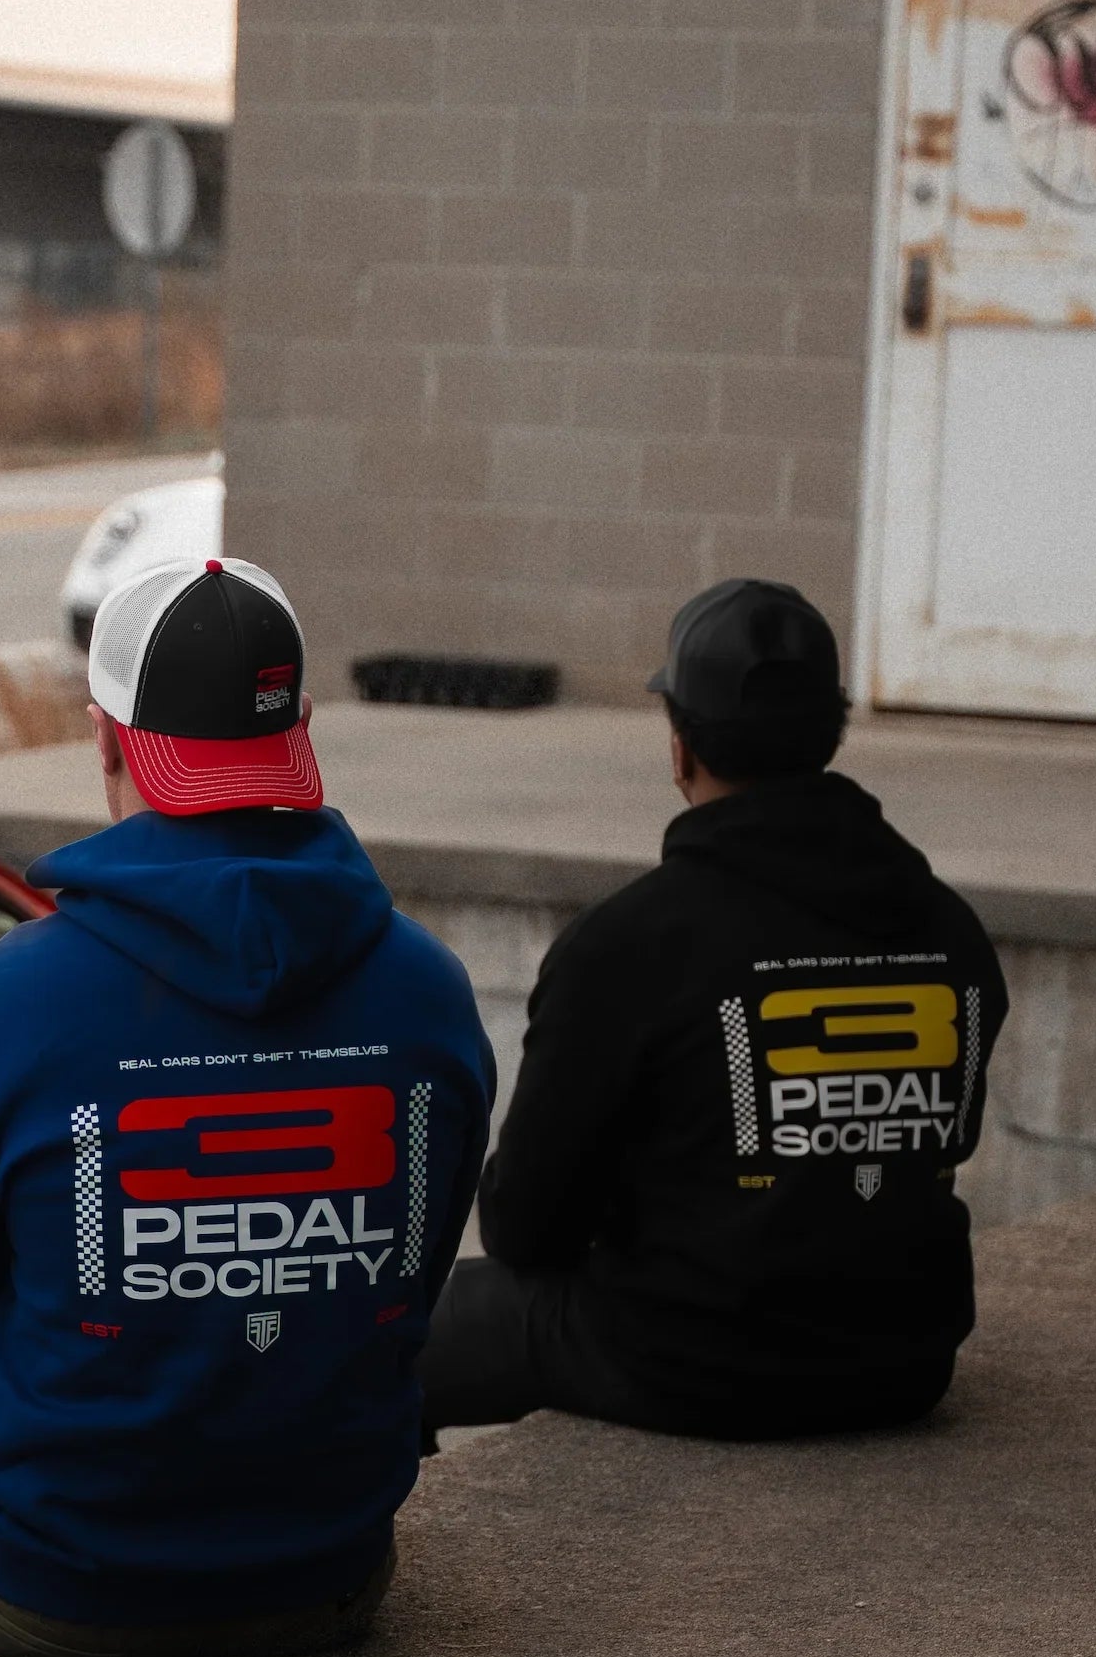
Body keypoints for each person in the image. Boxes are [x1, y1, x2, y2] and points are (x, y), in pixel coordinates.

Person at [0, 557, 493, 1657]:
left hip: (54, 1569)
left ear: (107, 740)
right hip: (325, 1564)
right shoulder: (428, 990)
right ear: (298, 730)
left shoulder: (1, 1007)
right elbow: (402, 1290)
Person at [418, 578, 1008, 1445]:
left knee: (389, 1333)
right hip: (905, 1360)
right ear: (830, 735)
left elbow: (526, 1228)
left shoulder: (627, 944)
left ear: (680, 748)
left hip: (692, 1363)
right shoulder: (949, 928)